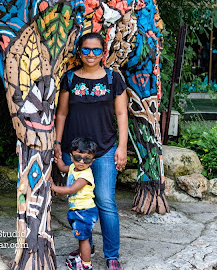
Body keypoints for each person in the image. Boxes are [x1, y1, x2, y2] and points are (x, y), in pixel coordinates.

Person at [54, 32, 129, 270]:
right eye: (86, 49)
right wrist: (57, 143)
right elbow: (61, 114)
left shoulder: (113, 79)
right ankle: (86, 246)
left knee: (105, 201)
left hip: (105, 149)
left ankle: (112, 256)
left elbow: (121, 114)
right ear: (79, 51)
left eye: (96, 50)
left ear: (103, 52)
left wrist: (122, 147)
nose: (91, 54)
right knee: (79, 201)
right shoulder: (70, 79)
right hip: (75, 152)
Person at [51, 137, 99, 270]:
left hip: (85, 211)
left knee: (83, 239)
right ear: (71, 157)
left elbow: (71, 189)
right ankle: (83, 257)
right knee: (82, 237)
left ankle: (86, 264)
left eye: (87, 159)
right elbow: (63, 168)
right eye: (78, 157)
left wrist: (53, 187)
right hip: (79, 210)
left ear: (92, 161)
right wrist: (58, 158)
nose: (81, 162)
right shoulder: (73, 167)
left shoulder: (85, 175)